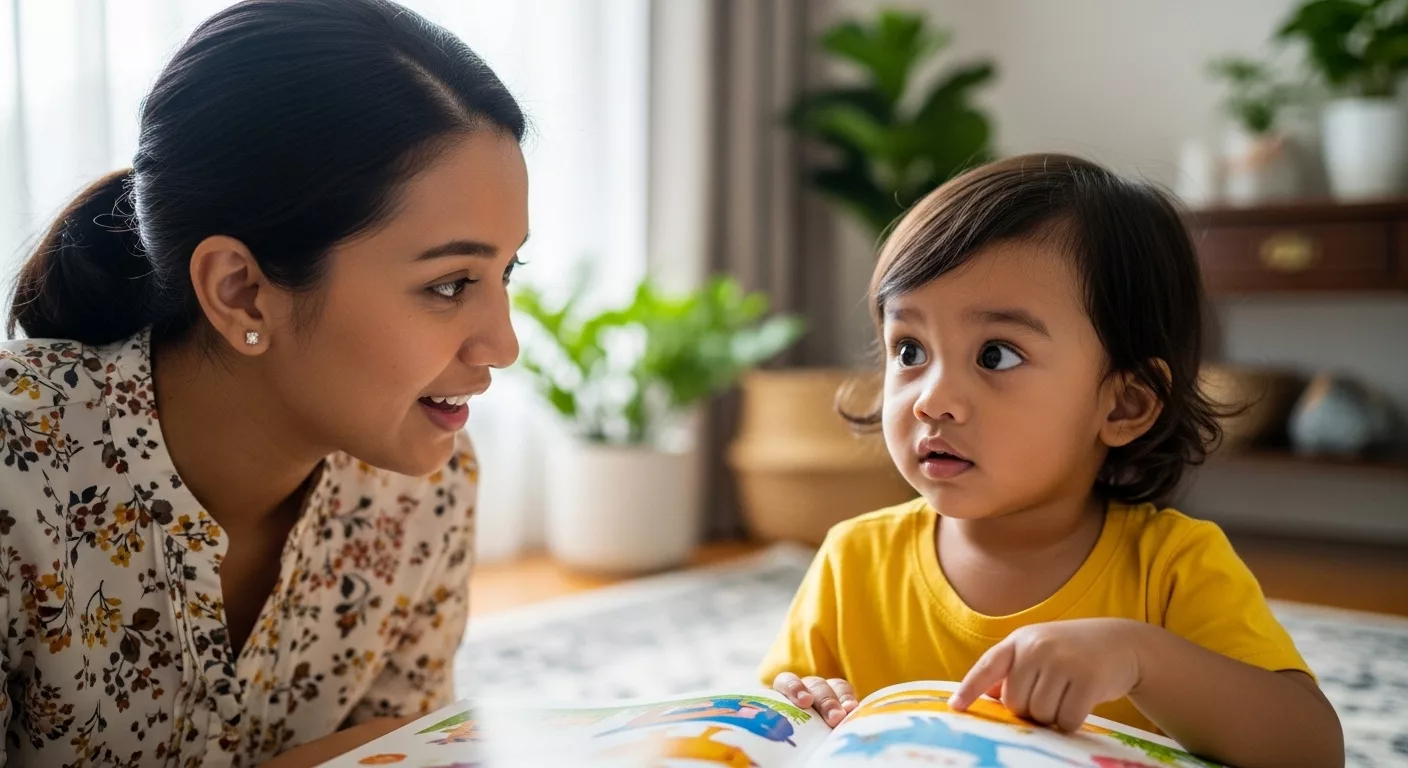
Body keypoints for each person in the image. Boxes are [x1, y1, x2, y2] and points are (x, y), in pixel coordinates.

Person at [0, 1, 526, 765]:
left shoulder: (428, 488)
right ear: (242, 290)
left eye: (507, 273)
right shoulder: (14, 480)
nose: (502, 345)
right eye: (449, 284)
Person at [760, 155, 1344, 767]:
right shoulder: (853, 562)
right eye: (910, 349)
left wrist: (1141, 658)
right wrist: (808, 700)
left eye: (996, 356)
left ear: (1124, 404)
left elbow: (1311, 750)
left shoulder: (1172, 569)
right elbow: (776, 720)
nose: (933, 399)